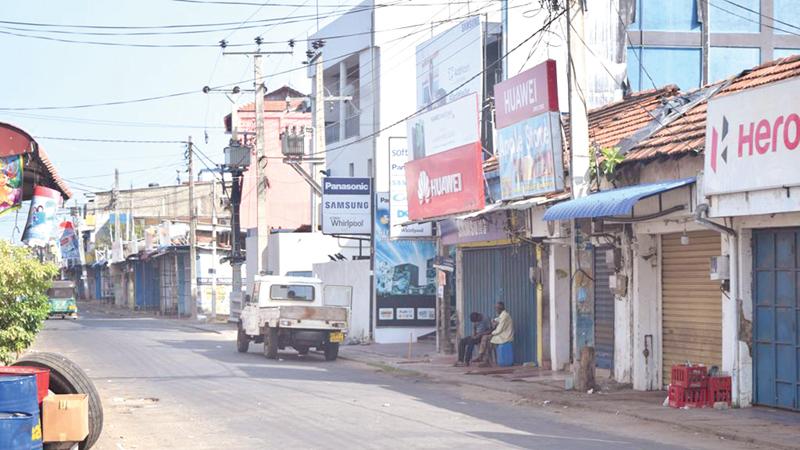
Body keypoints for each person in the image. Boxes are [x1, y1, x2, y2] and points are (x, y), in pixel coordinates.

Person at [481, 302, 514, 367]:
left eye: (497, 308)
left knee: (486, 339)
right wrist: (494, 320)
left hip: (505, 336)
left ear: (500, 308)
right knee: (487, 340)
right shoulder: (503, 315)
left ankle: (486, 359)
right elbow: (498, 319)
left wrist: (491, 333)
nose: (496, 310)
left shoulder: (505, 316)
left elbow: (499, 329)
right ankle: (487, 360)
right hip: (501, 335)